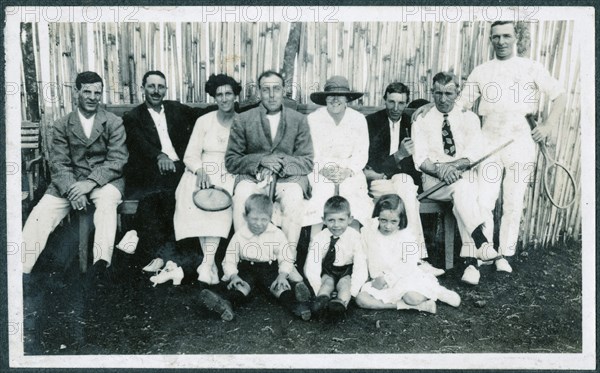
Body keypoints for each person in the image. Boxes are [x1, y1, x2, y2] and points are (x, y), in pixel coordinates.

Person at [460, 21, 567, 273]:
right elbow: (462, 104)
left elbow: (560, 95)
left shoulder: (530, 67)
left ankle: (506, 254)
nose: (501, 41)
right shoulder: (482, 71)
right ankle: (485, 253)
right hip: (488, 142)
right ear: (490, 39)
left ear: (515, 38)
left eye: (506, 36)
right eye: (496, 37)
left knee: (513, 200)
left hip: (520, 142)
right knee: (483, 200)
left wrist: (548, 126)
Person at [21, 71, 128, 278]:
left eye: (97, 92)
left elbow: (117, 161)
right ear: (76, 92)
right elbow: (59, 163)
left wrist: (89, 184)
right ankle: (20, 271)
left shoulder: (114, 122)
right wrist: (73, 190)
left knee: (107, 204)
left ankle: (100, 267)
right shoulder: (62, 124)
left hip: (105, 181)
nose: (92, 97)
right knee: (41, 212)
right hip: (69, 183)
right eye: (87, 91)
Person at [411, 72, 500, 285]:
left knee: (463, 190)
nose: (443, 99)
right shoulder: (421, 119)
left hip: (461, 176)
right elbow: (421, 159)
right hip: (434, 182)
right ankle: (479, 248)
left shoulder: (469, 118)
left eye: (448, 93)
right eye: (438, 93)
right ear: (432, 93)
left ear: (457, 93)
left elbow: (473, 154)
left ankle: (472, 262)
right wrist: (441, 170)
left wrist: (452, 167)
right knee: (464, 188)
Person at [225, 70, 313, 267]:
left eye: (276, 89)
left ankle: (288, 264)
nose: (272, 95)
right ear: (259, 92)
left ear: (284, 91)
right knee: (241, 195)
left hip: (287, 179)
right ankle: (245, 258)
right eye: (266, 90)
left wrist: (278, 163)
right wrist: (262, 160)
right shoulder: (243, 119)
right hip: (254, 177)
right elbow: (231, 161)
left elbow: (306, 161)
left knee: (294, 197)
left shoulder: (298, 119)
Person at [364, 82, 444, 276]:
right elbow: (369, 163)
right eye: (391, 102)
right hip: (378, 184)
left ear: (407, 103)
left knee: (406, 184)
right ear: (384, 100)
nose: (396, 108)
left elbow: (413, 168)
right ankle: (416, 260)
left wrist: (387, 168)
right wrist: (398, 156)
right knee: (407, 191)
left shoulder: (412, 123)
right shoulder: (371, 122)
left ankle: (413, 260)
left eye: (401, 103)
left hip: (401, 181)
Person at [173, 74, 240, 285]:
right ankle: (208, 264)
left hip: (230, 170)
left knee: (219, 201)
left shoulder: (242, 122)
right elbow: (190, 155)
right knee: (192, 193)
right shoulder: (204, 121)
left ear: (236, 96)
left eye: (228, 93)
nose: (224, 98)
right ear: (214, 97)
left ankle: (207, 263)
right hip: (203, 168)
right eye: (219, 94)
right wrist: (200, 170)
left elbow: (245, 154)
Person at [354, 194, 461, 313]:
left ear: (401, 219)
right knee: (361, 299)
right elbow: (361, 261)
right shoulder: (368, 233)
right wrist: (358, 286)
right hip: (379, 282)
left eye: (393, 221)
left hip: (403, 277)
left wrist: (387, 278)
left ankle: (438, 291)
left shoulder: (406, 235)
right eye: (383, 220)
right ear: (377, 217)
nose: (388, 226)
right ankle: (418, 307)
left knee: (411, 297)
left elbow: (409, 264)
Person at [219, 194, 312, 320]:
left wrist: (282, 275)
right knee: (241, 287)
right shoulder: (239, 235)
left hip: (269, 268)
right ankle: (225, 305)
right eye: (254, 219)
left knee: (280, 288)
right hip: (247, 268)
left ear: (270, 218)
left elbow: (285, 258)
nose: (259, 224)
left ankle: (299, 306)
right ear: (245, 217)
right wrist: (233, 276)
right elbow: (229, 259)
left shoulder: (276, 234)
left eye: (264, 220)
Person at [303, 75, 373, 231]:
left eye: (339, 95)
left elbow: (361, 153)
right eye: (330, 96)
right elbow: (310, 152)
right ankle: (315, 247)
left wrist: (347, 171)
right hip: (319, 169)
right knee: (321, 190)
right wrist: (324, 169)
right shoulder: (314, 119)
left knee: (352, 191)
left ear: (347, 98)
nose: (335, 100)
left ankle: (351, 245)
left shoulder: (358, 119)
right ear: (325, 98)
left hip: (349, 169)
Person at [123, 70, 209, 194]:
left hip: (180, 167)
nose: (156, 91)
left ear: (165, 90)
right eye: (151, 86)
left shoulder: (175, 108)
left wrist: (233, 108)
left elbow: (200, 113)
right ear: (143, 89)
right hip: (152, 171)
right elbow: (139, 143)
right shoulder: (133, 116)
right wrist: (160, 156)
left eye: (161, 87)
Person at [304, 196, 367, 317]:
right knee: (327, 283)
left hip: (346, 271)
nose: (336, 225)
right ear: (324, 220)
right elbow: (313, 265)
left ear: (350, 219)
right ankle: (321, 301)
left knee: (345, 285)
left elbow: (360, 265)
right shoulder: (319, 238)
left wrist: (353, 292)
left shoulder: (355, 237)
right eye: (331, 220)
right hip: (328, 270)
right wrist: (317, 289)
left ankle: (340, 305)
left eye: (341, 220)